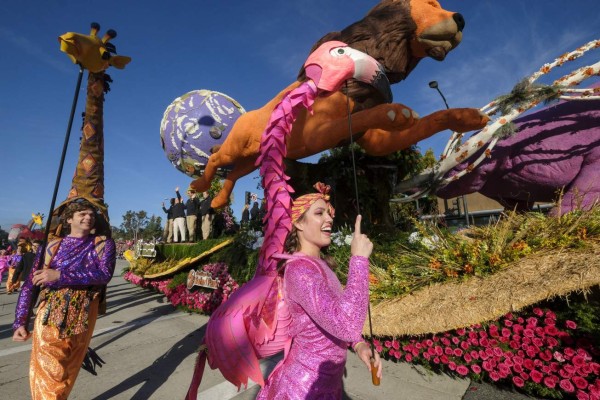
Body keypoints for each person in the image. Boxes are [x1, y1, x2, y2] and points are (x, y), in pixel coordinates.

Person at [255, 183, 382, 399]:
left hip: (327, 387)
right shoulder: (299, 271)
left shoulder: (319, 264)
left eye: (329, 213)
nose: (329, 219)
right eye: (319, 213)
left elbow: (335, 315)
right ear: (298, 223)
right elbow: (345, 323)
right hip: (302, 389)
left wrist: (358, 343)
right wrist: (359, 260)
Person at [12, 199, 116, 399]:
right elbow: (30, 285)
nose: (88, 218)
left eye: (91, 215)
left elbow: (104, 275)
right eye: (82, 214)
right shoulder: (50, 246)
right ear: (69, 219)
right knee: (49, 368)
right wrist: (20, 321)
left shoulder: (103, 244)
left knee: (68, 371)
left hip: (84, 312)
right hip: (51, 309)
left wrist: (60, 275)